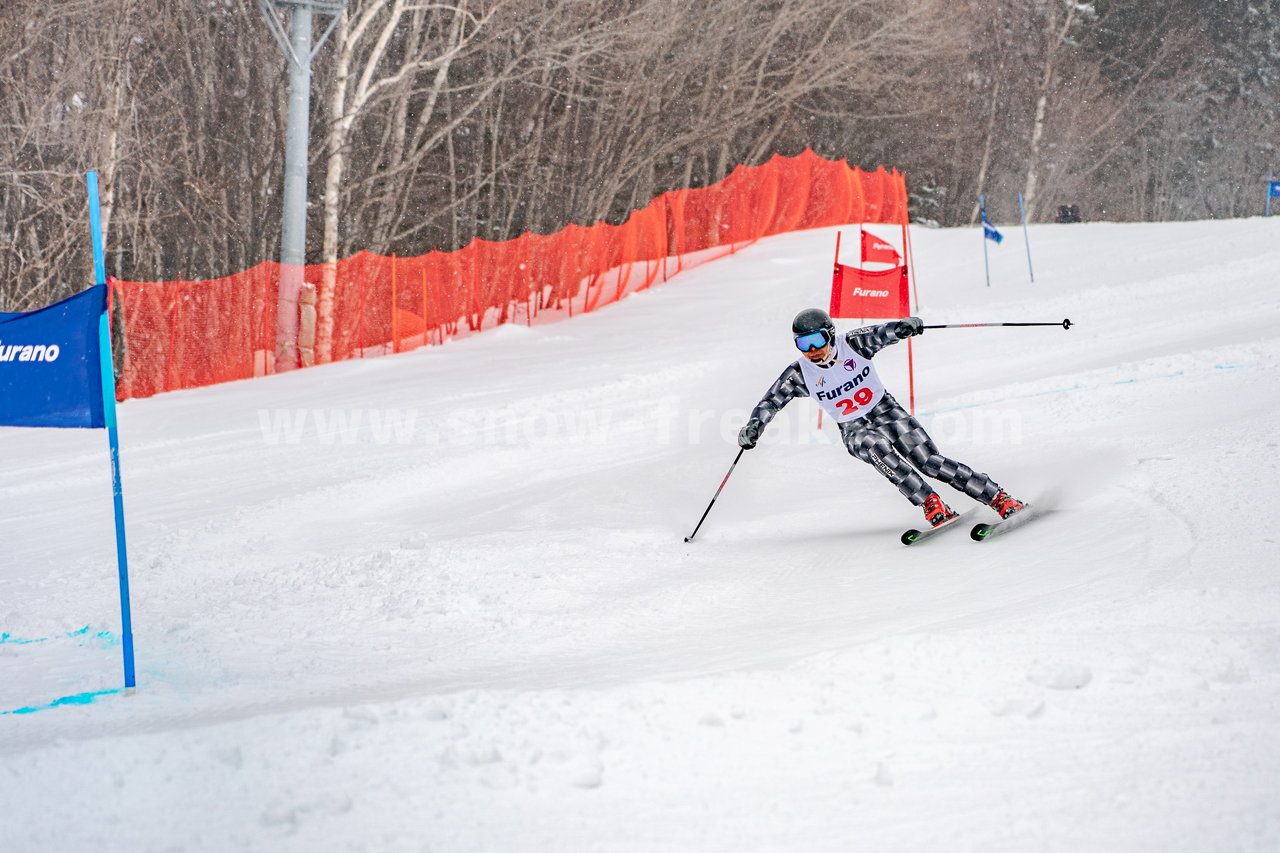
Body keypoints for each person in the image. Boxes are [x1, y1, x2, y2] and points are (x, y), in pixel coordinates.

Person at [738, 308, 1026, 529]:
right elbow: (771, 400)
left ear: (830, 334)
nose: (813, 351)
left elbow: (882, 332)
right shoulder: (801, 373)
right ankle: (931, 503)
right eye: (804, 344)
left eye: (817, 341)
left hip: (886, 410)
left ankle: (998, 498)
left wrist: (903, 328)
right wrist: (754, 425)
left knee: (929, 462)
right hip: (852, 427)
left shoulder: (853, 344)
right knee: (875, 447)